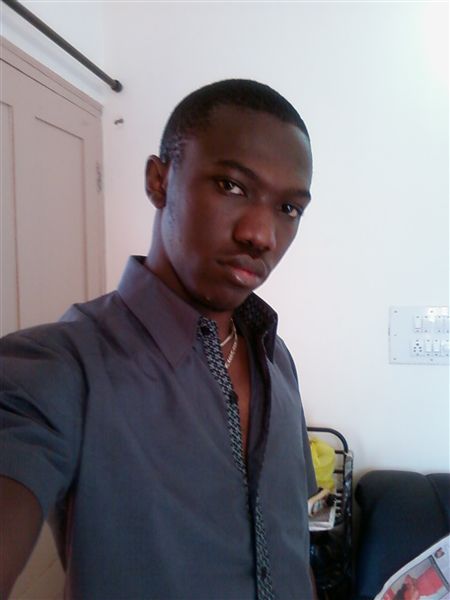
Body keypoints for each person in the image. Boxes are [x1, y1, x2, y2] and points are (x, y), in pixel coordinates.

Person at [0, 79, 317, 599]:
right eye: (231, 185)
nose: (262, 235)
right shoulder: (59, 366)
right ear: (159, 180)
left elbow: (288, 542)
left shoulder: (275, 356)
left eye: (288, 209)